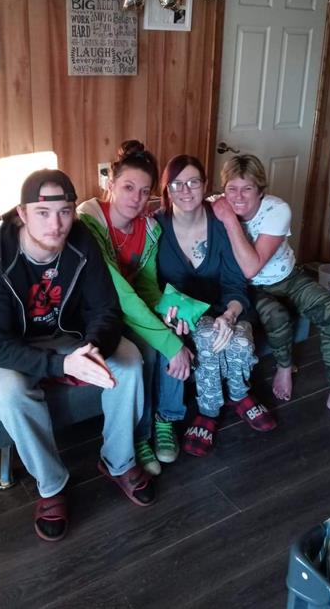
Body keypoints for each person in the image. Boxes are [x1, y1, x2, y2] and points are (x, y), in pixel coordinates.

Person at [0, 169, 155, 543]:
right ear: (22, 213)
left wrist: (93, 349)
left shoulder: (82, 240)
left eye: (65, 212)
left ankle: (118, 461)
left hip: (74, 336)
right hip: (19, 346)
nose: (55, 224)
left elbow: (105, 309)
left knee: (130, 362)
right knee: (10, 395)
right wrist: (60, 367)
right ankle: (52, 485)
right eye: (42, 213)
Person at [211, 153, 330, 434]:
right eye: (231, 188)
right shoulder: (217, 206)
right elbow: (246, 276)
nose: (238, 197)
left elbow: (251, 266)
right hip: (251, 289)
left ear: (261, 190)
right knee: (276, 315)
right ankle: (284, 367)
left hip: (289, 277)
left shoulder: (277, 209)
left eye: (247, 188)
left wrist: (229, 220)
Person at [78, 141, 193, 476]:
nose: (136, 198)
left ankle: (165, 419)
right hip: (97, 312)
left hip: (130, 308)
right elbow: (120, 293)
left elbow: (146, 286)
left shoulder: (149, 229)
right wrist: (169, 344)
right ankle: (140, 435)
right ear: (110, 184)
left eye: (144, 192)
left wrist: (171, 313)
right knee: (152, 349)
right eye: (128, 187)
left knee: (173, 328)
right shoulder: (88, 223)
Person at [155, 155, 277, 457]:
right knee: (210, 337)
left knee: (238, 339)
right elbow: (149, 284)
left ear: (205, 185)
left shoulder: (221, 223)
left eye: (193, 182)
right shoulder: (156, 227)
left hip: (228, 306)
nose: (186, 190)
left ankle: (239, 393)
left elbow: (236, 283)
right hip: (184, 315)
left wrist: (230, 315)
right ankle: (208, 411)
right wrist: (167, 315)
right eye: (177, 184)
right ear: (167, 189)